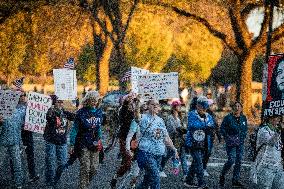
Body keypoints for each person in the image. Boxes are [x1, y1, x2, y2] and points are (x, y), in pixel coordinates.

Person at [136, 99, 179, 189]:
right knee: (155, 177)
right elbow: (136, 116)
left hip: (158, 154)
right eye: (152, 104)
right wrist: (137, 104)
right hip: (146, 153)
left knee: (147, 179)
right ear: (147, 106)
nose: (155, 106)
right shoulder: (143, 118)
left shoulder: (160, 120)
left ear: (159, 107)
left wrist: (174, 149)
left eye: (157, 104)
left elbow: (166, 137)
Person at [69, 91, 103, 189]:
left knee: (94, 169)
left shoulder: (99, 112)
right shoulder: (81, 112)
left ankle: (86, 183)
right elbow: (74, 129)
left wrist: (100, 139)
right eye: (92, 100)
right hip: (83, 142)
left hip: (95, 142)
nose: (94, 102)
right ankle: (83, 186)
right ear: (88, 100)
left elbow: (99, 128)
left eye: (96, 100)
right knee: (85, 167)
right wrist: (71, 144)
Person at [44, 95, 75, 187]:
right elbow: (48, 118)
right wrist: (52, 109)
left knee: (63, 163)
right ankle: (49, 183)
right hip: (51, 141)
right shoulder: (51, 112)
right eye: (58, 101)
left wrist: (79, 106)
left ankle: (55, 179)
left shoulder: (64, 113)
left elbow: (75, 117)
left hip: (62, 141)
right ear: (54, 102)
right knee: (50, 163)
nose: (60, 103)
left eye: (62, 102)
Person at [183, 96, 214, 189]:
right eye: (201, 105)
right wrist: (205, 126)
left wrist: (207, 127)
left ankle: (188, 180)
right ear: (197, 105)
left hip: (205, 143)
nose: (203, 108)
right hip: (193, 142)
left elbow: (212, 125)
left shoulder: (208, 116)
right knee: (199, 163)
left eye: (204, 106)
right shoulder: (192, 114)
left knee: (196, 162)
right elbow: (192, 125)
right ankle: (202, 183)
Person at [0, 90, 27, 189]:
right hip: (2, 142)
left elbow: (29, 113)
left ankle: (18, 184)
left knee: (17, 165)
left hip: (15, 142)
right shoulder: (1, 111)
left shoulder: (19, 112)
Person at [110, 93, 136, 188]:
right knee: (128, 162)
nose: (131, 103)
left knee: (134, 162)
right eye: (129, 101)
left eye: (132, 102)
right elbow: (124, 110)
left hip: (135, 139)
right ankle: (115, 177)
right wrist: (127, 101)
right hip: (124, 138)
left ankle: (132, 184)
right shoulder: (122, 110)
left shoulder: (135, 111)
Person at [219, 102, 248, 187]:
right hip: (231, 143)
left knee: (239, 161)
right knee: (231, 160)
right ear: (233, 108)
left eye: (239, 106)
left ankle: (235, 180)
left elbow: (245, 128)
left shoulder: (243, 118)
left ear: (241, 108)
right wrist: (227, 137)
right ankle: (222, 174)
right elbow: (222, 128)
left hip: (240, 143)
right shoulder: (228, 118)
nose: (237, 108)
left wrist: (243, 136)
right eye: (235, 106)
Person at [252, 115, 284, 188]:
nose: (279, 119)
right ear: (270, 119)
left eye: (280, 117)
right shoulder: (264, 130)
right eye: (277, 117)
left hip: (278, 166)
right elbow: (271, 142)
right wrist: (279, 131)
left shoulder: (276, 130)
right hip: (265, 166)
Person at [159, 100, 182, 178]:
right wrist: (178, 130)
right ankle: (160, 169)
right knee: (166, 155)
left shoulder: (178, 118)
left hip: (177, 140)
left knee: (176, 155)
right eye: (178, 106)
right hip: (170, 139)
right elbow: (170, 129)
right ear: (174, 107)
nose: (180, 107)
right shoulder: (169, 117)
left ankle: (179, 172)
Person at [203, 99, 221, 177]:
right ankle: (201, 168)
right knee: (205, 152)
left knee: (208, 153)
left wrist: (219, 136)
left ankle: (203, 168)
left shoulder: (213, 115)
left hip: (211, 136)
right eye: (211, 105)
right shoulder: (204, 114)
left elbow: (216, 126)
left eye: (213, 105)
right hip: (205, 136)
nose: (213, 106)